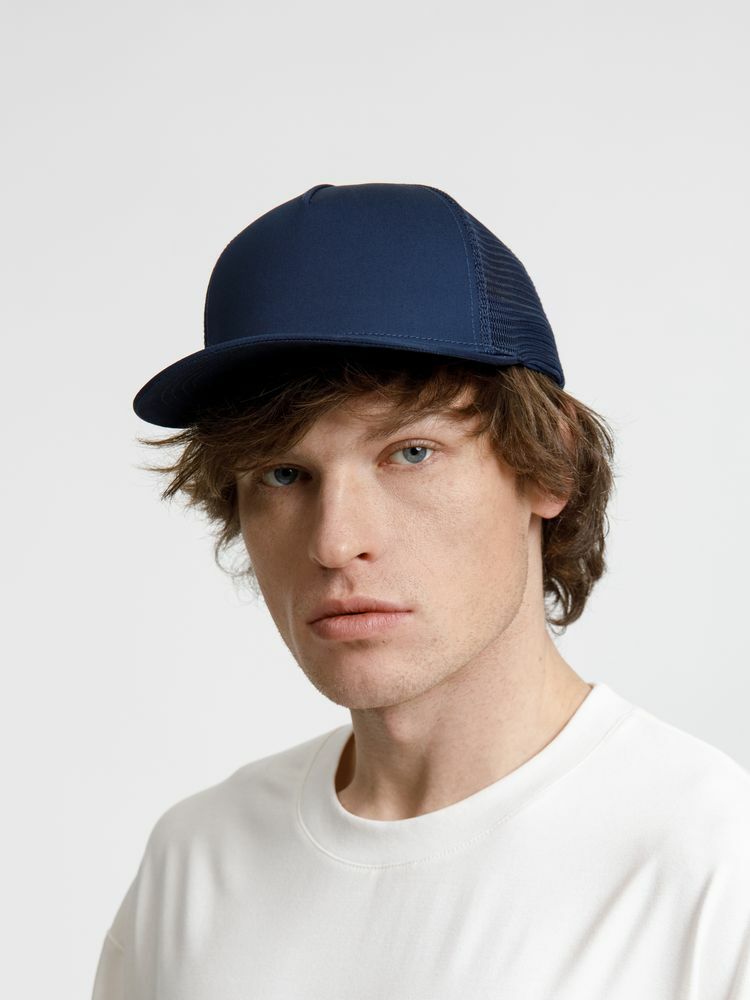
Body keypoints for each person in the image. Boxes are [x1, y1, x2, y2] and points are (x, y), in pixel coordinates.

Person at [91, 183, 750, 999]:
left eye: (410, 453)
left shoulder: (713, 865)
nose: (335, 543)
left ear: (549, 466)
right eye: (284, 474)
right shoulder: (195, 863)